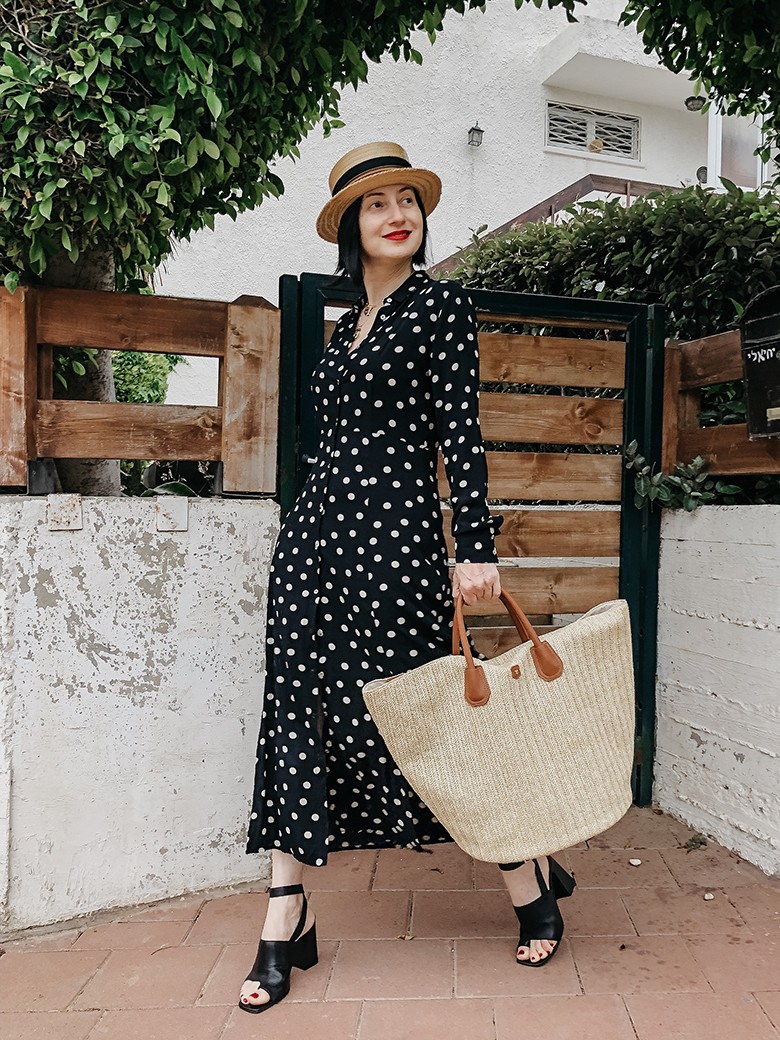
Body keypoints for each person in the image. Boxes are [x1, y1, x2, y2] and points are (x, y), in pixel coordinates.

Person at [239, 142, 575, 1014]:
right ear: (350, 227)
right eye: (376, 203)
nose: (397, 215)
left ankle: (525, 872)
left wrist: (475, 547)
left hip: (393, 543)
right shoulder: (345, 322)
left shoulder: (440, 307)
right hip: (314, 542)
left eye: (408, 200)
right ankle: (285, 910)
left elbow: (461, 435)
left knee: (431, 713)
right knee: (298, 706)